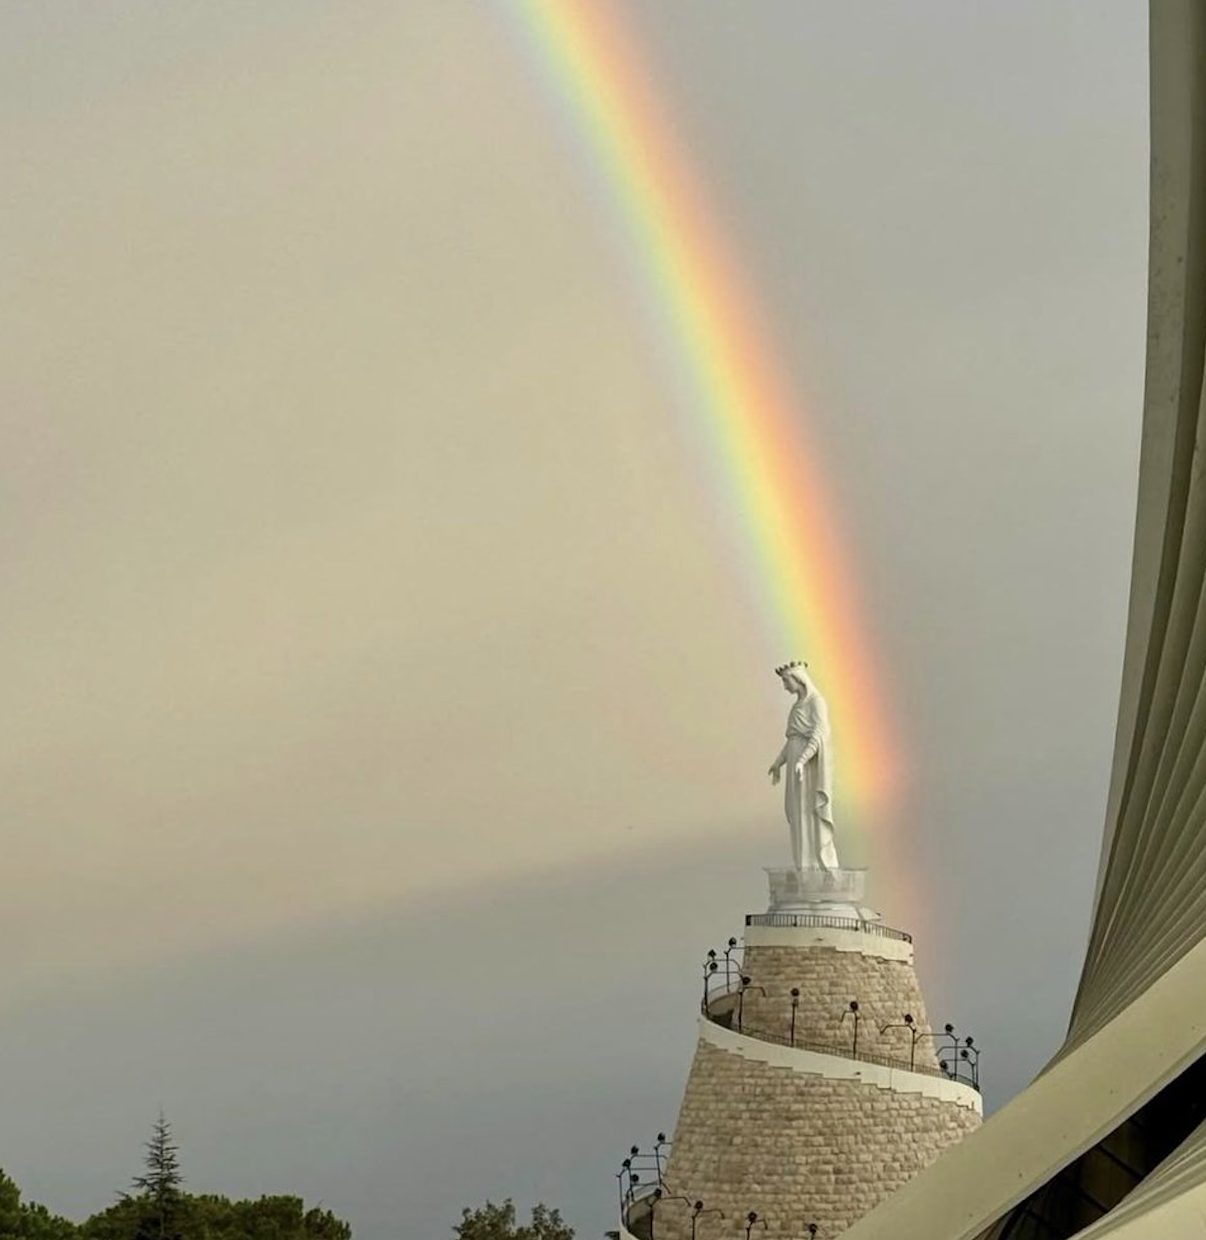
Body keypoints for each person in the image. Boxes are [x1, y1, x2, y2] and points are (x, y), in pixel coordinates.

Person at [767, 662, 839, 872]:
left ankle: (817, 867)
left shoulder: (817, 702)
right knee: (797, 816)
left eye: (786, 681)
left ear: (798, 679)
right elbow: (792, 740)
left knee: (810, 814)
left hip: (808, 772)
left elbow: (818, 735)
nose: (785, 686)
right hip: (795, 769)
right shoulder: (796, 705)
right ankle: (803, 867)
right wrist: (779, 762)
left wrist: (802, 760)